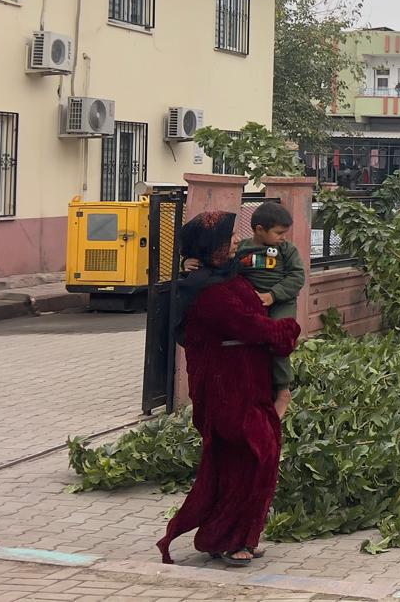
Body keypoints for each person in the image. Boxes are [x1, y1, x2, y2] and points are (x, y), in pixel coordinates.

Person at [157, 212, 301, 567]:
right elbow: (255, 328)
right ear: (212, 249)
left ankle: (239, 536)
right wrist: (289, 329)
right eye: (227, 239)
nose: (236, 243)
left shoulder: (224, 275)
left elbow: (270, 271)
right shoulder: (208, 292)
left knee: (257, 459)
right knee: (250, 459)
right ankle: (226, 538)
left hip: (250, 386)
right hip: (228, 395)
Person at [235, 201, 307, 420]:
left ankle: (283, 390)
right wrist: (188, 262)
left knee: (277, 337)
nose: (283, 237)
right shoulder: (241, 249)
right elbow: (222, 268)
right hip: (252, 303)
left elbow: (297, 277)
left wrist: (273, 295)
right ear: (259, 230)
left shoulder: (287, 250)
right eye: (279, 233)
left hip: (281, 303)